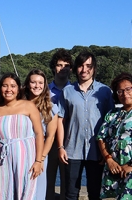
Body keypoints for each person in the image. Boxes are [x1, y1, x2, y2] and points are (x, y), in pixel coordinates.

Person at [57, 51, 114, 200]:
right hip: (72, 150)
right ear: (76, 68)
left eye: (88, 66)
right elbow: (60, 120)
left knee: (95, 193)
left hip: (97, 151)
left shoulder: (105, 91)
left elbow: (111, 122)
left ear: (94, 68)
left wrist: (107, 151)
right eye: (81, 66)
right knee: (71, 193)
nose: (84, 69)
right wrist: (60, 147)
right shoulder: (67, 92)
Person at [0, 73, 44, 200]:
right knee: (6, 193)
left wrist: (38, 161)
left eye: (13, 86)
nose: (9, 90)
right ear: (0, 88)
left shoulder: (28, 106)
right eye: (5, 86)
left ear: (18, 88)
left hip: (27, 160)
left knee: (27, 193)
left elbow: (39, 134)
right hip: (3, 160)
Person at [24, 69, 58, 200]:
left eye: (40, 83)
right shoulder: (19, 104)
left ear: (44, 86)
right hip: (21, 152)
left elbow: (50, 136)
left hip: (39, 154)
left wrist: (41, 159)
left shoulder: (51, 107)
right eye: (33, 82)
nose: (37, 86)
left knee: (37, 192)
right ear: (28, 84)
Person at [97, 72, 132, 199]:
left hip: (129, 171)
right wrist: (109, 159)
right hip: (112, 170)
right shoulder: (112, 114)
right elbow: (101, 137)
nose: (124, 93)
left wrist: (130, 166)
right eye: (120, 91)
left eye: (128, 89)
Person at [47, 48, 73, 200]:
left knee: (67, 184)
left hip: (68, 142)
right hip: (48, 142)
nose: (63, 68)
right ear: (54, 67)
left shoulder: (75, 91)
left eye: (67, 65)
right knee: (47, 182)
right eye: (59, 64)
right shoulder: (45, 91)